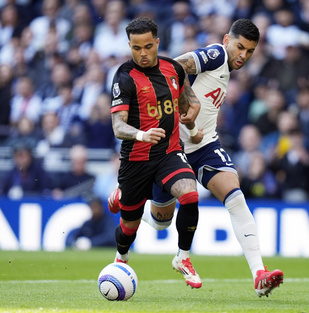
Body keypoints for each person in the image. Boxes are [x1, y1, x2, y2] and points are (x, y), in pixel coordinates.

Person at [110, 18, 284, 297]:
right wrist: (184, 108)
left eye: (249, 51)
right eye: (239, 47)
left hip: (204, 146)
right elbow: (173, 68)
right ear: (227, 41)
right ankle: (128, 197)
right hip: (169, 149)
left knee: (236, 199)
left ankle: (259, 274)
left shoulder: (227, 67)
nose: (243, 55)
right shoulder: (215, 55)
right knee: (160, 221)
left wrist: (193, 122)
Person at [108, 17, 202, 289]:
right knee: (129, 228)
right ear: (129, 46)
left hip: (169, 153)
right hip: (136, 159)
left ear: (157, 43)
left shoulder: (173, 69)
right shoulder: (124, 77)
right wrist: (141, 134)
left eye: (148, 46)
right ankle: (121, 258)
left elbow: (187, 103)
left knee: (190, 193)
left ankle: (183, 258)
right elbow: (117, 125)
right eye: (136, 48)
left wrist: (193, 126)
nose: (143, 53)